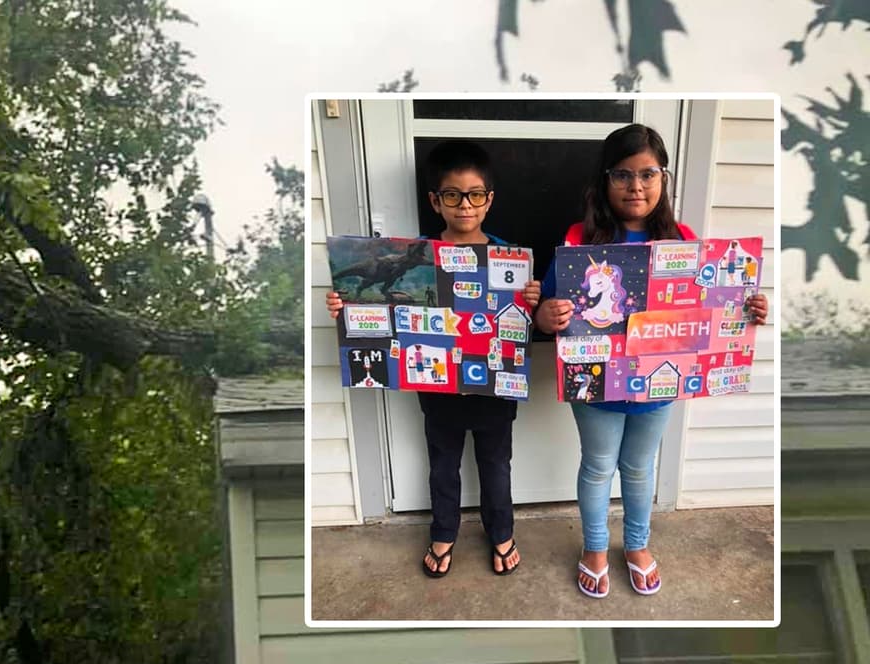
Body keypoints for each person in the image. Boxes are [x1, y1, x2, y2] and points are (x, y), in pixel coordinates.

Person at [533, 123, 769, 598]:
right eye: (622, 174)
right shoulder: (580, 239)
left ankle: (637, 544)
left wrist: (747, 309)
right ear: (604, 180)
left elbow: (708, 307)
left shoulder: (683, 238)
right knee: (598, 466)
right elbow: (545, 313)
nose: (635, 186)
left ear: (664, 178)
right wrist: (546, 314)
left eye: (647, 173)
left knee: (640, 469)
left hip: (660, 382)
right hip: (595, 382)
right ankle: (595, 548)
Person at [327, 140, 540, 578]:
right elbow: (384, 314)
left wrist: (531, 300)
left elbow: (518, 325)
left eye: (475, 194)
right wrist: (346, 307)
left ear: (490, 199)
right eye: (452, 195)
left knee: (496, 464)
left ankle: (501, 531)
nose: (465, 205)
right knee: (442, 464)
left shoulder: (509, 258)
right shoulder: (420, 253)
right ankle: (444, 531)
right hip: (437, 385)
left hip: (494, 386)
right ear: (435, 201)